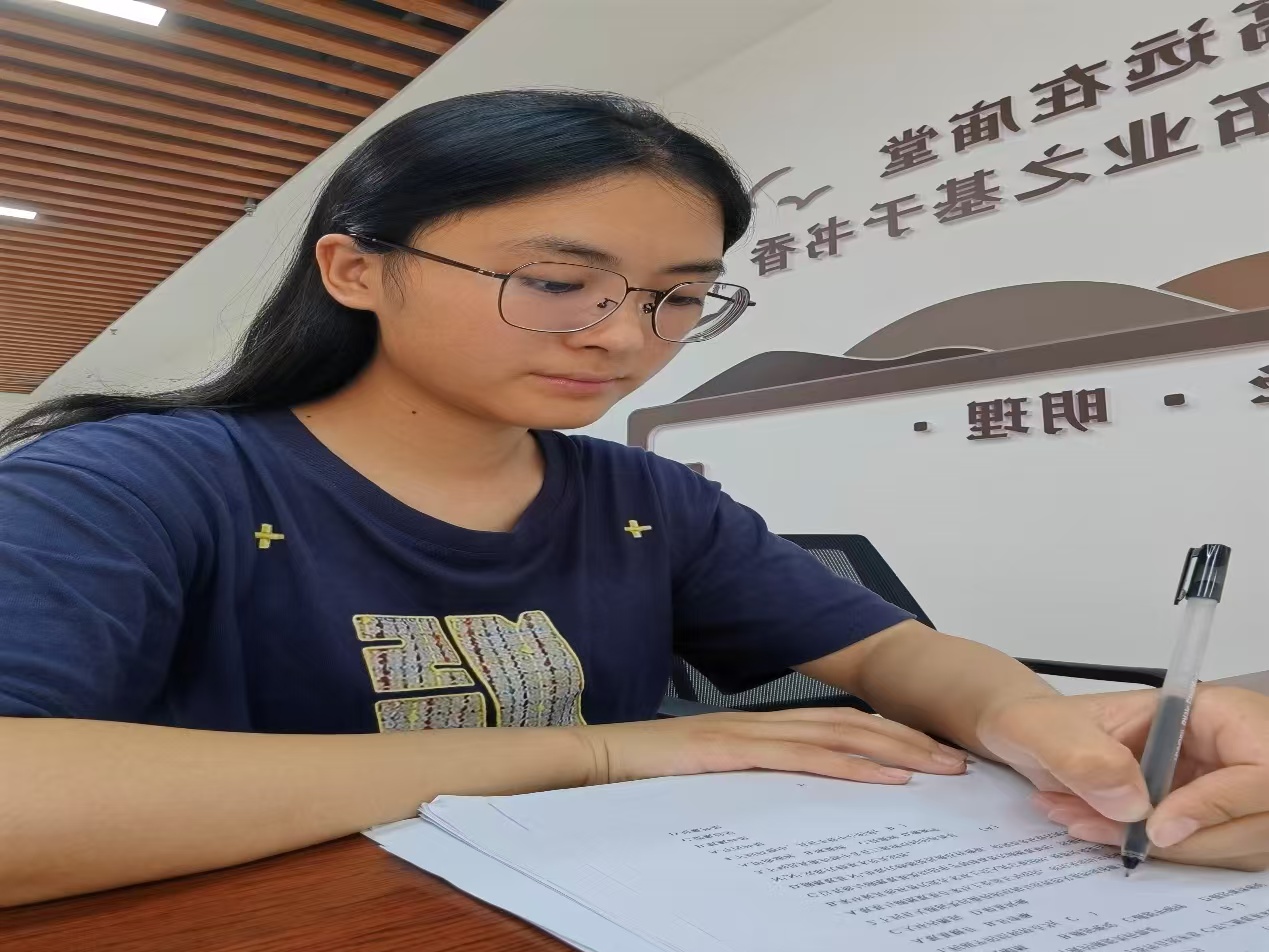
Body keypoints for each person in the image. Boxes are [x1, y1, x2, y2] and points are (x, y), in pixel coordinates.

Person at [0, 91, 1264, 908]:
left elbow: (886, 649)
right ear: (355, 269)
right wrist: (599, 751)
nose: (623, 336)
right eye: (560, 282)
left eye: (677, 298)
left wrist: (1041, 727)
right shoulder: (132, 483)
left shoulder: (640, 496)